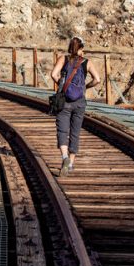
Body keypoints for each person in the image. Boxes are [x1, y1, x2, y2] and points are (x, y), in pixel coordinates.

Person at [50, 36, 100, 177]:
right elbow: (97, 79)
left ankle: (64, 157)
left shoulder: (63, 59)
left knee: (62, 130)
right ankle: (71, 164)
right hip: (79, 102)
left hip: (64, 100)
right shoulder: (87, 62)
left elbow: (53, 74)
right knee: (75, 132)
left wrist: (63, 85)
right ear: (82, 49)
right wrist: (85, 87)